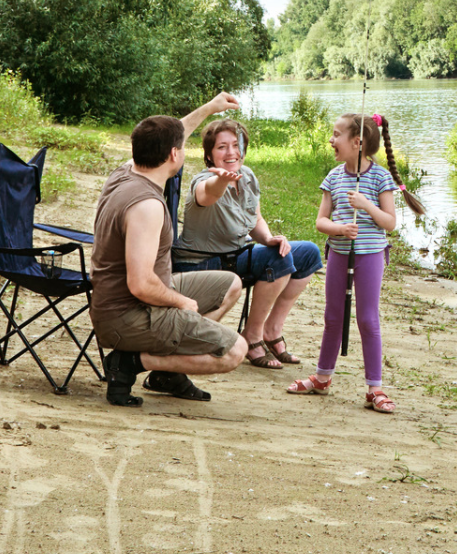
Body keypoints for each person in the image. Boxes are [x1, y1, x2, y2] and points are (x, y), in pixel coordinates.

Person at [91, 92, 249, 407]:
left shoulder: (125, 172)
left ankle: (168, 370)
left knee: (230, 284)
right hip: (127, 315)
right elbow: (140, 283)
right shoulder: (147, 206)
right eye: (183, 149)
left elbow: (174, 133)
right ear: (174, 155)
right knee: (234, 351)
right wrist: (181, 302)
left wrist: (209, 108)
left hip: (136, 301)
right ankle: (133, 363)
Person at [286, 113, 424, 413]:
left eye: (337, 134)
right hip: (338, 254)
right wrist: (339, 229)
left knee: (367, 319)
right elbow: (321, 221)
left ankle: (375, 388)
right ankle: (322, 377)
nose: (332, 140)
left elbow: (390, 223)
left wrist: (366, 205)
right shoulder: (334, 177)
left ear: (357, 142)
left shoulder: (379, 177)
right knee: (333, 317)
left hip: (370, 256)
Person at [174, 119, 324, 370]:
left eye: (236, 145)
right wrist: (221, 180)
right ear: (209, 154)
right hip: (201, 265)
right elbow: (207, 194)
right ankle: (251, 337)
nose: (231, 152)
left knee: (307, 252)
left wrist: (268, 238)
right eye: (222, 147)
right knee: (277, 259)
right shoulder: (204, 180)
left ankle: (271, 331)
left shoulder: (248, 176)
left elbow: (255, 218)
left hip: (235, 257)